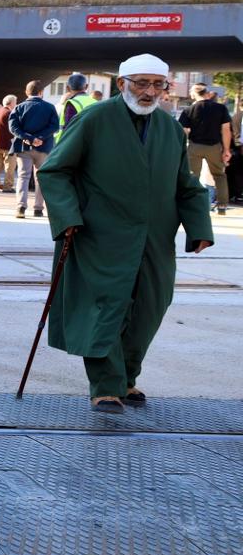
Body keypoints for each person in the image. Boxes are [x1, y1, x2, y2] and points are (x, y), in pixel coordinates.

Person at [37, 53, 215, 412]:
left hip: (155, 237)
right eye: (141, 83)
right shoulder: (94, 118)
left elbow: (186, 184)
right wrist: (68, 218)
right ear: (122, 84)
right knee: (105, 308)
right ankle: (105, 385)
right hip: (99, 235)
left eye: (157, 84)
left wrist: (199, 228)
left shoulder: (168, 128)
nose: (150, 92)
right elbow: (55, 171)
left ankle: (126, 378)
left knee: (150, 308)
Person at [178, 84, 232, 215]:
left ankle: (192, 204)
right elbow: (226, 130)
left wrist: (181, 150)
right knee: (219, 175)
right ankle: (222, 206)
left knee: (192, 176)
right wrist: (226, 150)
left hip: (195, 147)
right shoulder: (220, 108)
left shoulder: (188, 110)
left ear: (193, 94)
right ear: (207, 93)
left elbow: (183, 132)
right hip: (214, 147)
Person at [8, 80, 58, 219]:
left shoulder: (18, 107)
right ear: (41, 92)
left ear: (26, 92)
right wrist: (39, 138)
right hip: (44, 147)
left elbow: (13, 127)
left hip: (24, 147)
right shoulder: (49, 107)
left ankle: (21, 207)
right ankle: (38, 209)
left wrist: (28, 137)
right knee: (40, 178)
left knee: (23, 177)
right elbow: (54, 126)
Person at [0, 94, 18, 194]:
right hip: (8, 143)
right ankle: (7, 186)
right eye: (15, 102)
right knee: (10, 166)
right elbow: (13, 129)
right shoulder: (9, 113)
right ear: (11, 103)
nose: (16, 104)